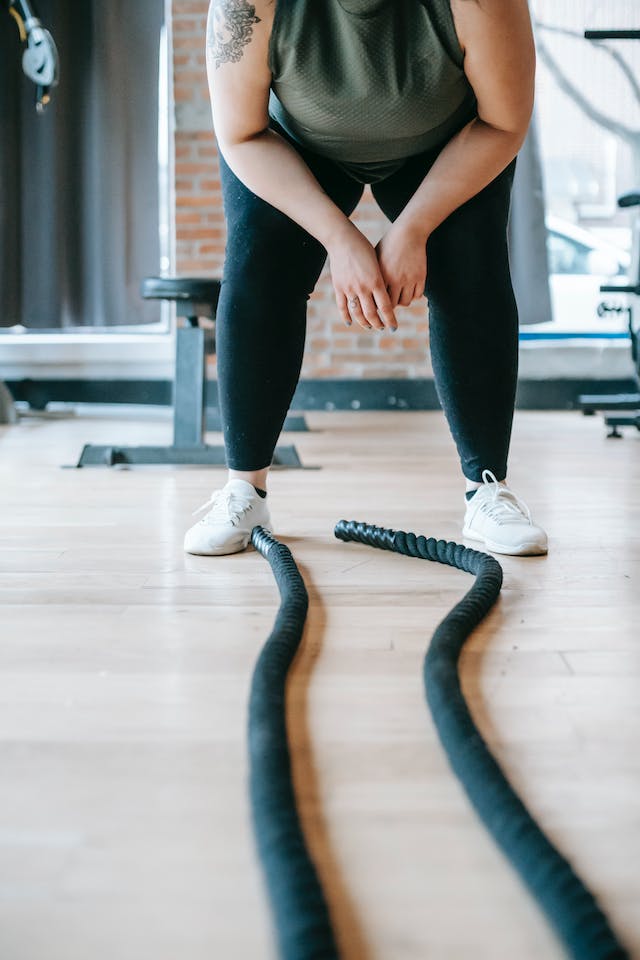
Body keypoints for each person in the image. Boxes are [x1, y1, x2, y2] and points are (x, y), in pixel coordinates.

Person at [184, 0, 548, 558]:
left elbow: (504, 121)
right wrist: (339, 238)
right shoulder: (246, 4)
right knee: (260, 263)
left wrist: (415, 228)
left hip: (449, 140)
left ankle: (487, 490)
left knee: (472, 264)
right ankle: (244, 487)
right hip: (293, 141)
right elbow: (241, 134)